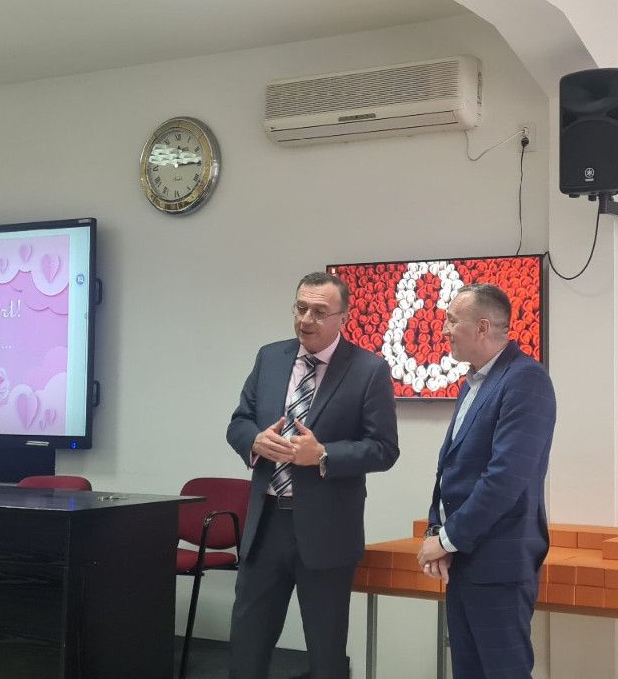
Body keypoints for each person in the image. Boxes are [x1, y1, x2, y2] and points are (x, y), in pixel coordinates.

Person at [226, 271, 399, 679]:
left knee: (325, 655)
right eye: (301, 308)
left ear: (343, 318)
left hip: (327, 533)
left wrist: (323, 454)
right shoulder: (270, 358)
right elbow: (239, 422)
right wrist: (255, 441)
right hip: (266, 525)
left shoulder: (369, 370)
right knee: (246, 650)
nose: (306, 320)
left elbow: (384, 449)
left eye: (319, 312)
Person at [416, 283, 555, 679]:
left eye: (451, 320)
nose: (444, 329)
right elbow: (453, 471)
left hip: (498, 564)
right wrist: (438, 531)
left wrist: (446, 540)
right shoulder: (474, 383)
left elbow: (504, 479)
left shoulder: (526, 380)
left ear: (481, 327)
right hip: (465, 560)